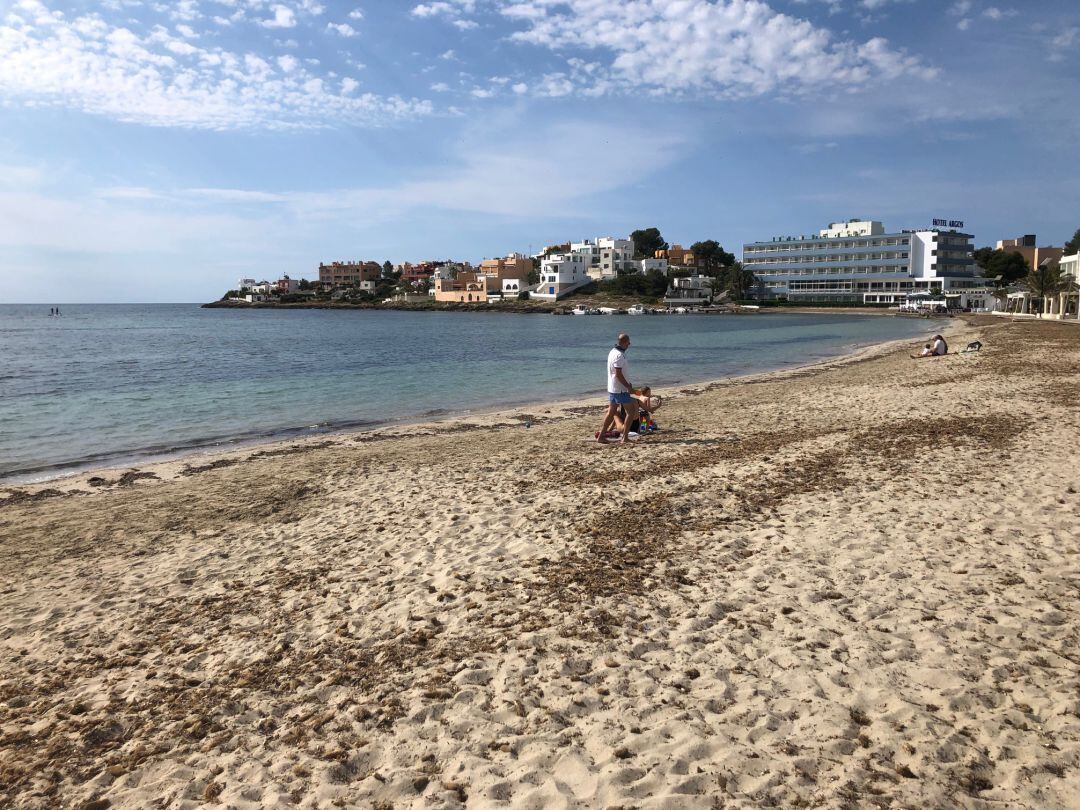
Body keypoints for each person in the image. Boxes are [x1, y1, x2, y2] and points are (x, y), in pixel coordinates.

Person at [597, 333, 639, 445]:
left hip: (613, 387)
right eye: (628, 342)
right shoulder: (619, 355)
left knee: (611, 412)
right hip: (620, 389)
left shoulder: (612, 351)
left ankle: (601, 436)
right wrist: (628, 386)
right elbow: (618, 374)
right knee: (631, 411)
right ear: (624, 342)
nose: (629, 344)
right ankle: (624, 437)